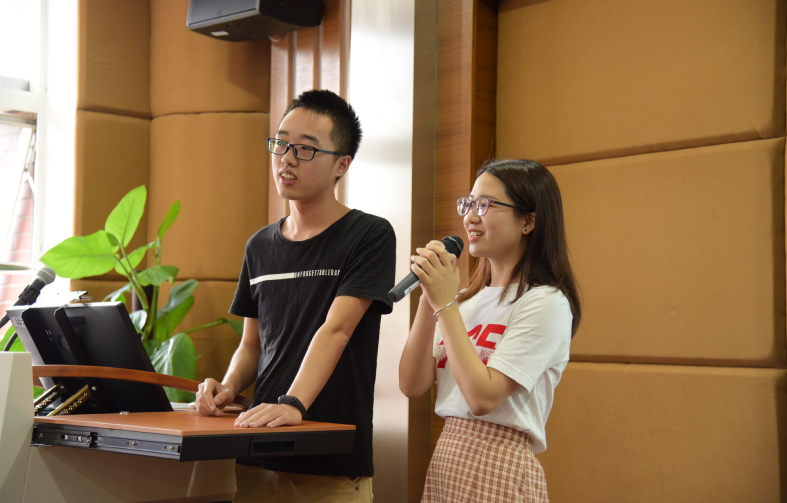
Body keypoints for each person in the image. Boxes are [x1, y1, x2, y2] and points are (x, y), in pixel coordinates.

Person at [195, 90, 396, 503]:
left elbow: (337, 330)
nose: (286, 159)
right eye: (281, 143)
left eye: (305, 149)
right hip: (258, 455)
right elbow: (252, 345)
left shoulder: (369, 235)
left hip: (328, 461)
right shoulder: (259, 245)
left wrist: (293, 404)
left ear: (342, 164)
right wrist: (228, 387)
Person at [398, 159, 581, 503]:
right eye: (468, 204)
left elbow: (483, 398)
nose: (470, 217)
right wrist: (430, 297)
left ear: (528, 222)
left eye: (484, 205)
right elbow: (412, 384)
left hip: (500, 461)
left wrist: (444, 304)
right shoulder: (463, 302)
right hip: (448, 456)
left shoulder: (545, 302)